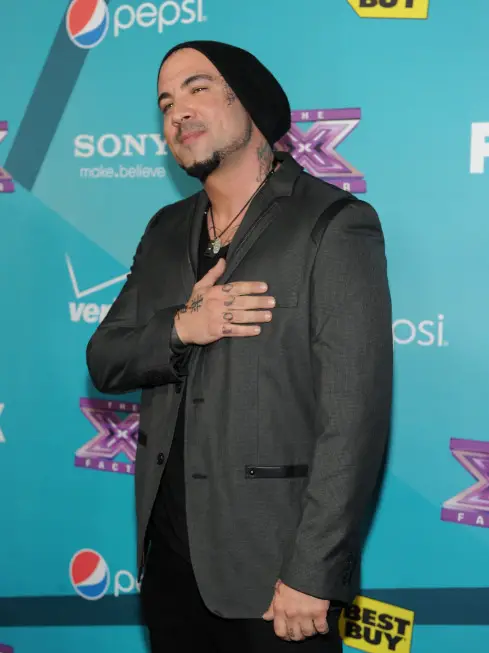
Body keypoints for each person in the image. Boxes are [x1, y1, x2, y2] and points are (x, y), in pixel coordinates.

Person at [86, 40, 393, 653]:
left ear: (248, 100)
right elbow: (106, 359)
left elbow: (354, 419)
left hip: (275, 579)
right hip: (170, 571)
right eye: (165, 103)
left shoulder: (332, 224)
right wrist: (182, 327)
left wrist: (313, 573)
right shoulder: (165, 229)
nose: (177, 112)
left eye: (197, 88)